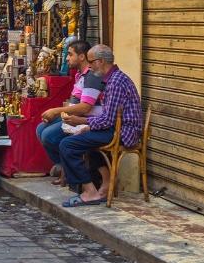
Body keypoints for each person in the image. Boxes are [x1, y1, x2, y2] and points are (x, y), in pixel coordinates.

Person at [59, 44, 144, 207]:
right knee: (83, 139)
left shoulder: (116, 82)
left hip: (123, 132)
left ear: (101, 61)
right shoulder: (112, 79)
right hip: (115, 128)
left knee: (67, 146)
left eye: (91, 62)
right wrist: (88, 126)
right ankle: (104, 185)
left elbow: (107, 120)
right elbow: (107, 118)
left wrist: (82, 121)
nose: (89, 66)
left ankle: (90, 191)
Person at [36, 40, 102, 184]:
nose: (66, 58)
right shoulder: (80, 75)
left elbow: (85, 107)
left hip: (84, 118)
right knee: (40, 129)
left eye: (70, 54)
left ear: (81, 57)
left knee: (48, 135)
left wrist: (56, 111)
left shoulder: (91, 76)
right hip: (74, 115)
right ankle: (63, 165)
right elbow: (76, 101)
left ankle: (67, 166)